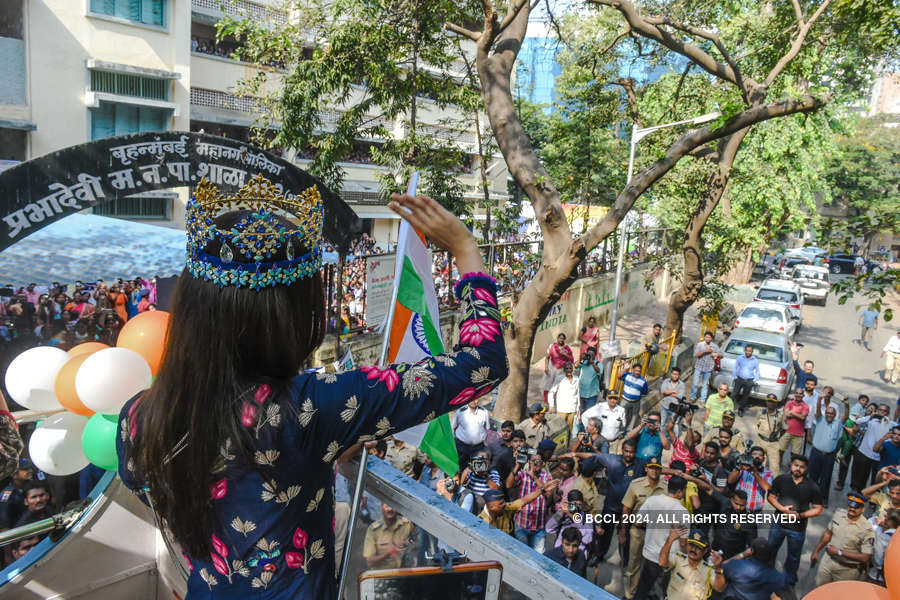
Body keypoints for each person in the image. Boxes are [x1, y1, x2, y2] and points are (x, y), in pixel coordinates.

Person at [115, 188, 508, 599]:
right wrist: (465, 249)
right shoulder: (315, 405)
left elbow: (166, 485)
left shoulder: (139, 416)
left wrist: (301, 462)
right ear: (293, 317)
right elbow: (482, 363)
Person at [767, 454, 823, 585]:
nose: (798, 469)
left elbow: (818, 508)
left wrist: (800, 515)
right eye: (796, 465)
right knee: (770, 551)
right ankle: (767, 575)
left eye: (802, 467)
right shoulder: (781, 480)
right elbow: (771, 496)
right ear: (791, 465)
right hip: (778, 524)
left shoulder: (813, 486)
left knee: (793, 557)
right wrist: (782, 509)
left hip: (797, 529)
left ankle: (789, 581)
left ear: (806, 469)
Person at [633, 474, 689, 600]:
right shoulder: (682, 512)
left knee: (642, 590)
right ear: (680, 492)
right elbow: (683, 543)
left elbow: (637, 522)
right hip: (670, 559)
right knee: (668, 593)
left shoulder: (652, 500)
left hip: (649, 554)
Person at [620, 457, 667, 599]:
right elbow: (626, 509)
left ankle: (649, 591)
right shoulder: (636, 485)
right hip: (637, 531)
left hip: (656, 533)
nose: (654, 471)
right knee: (634, 563)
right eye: (651, 467)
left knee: (652, 564)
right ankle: (631, 593)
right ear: (646, 469)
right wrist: (623, 531)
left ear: (661, 470)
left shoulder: (665, 488)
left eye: (657, 468)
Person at [811, 491, 875, 584]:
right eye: (850, 505)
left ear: (863, 509)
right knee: (819, 589)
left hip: (847, 570)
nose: (852, 508)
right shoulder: (839, 514)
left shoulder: (867, 529)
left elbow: (865, 557)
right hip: (828, 561)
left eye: (856, 506)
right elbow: (828, 534)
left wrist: (839, 552)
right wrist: (816, 551)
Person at [659, 528, 724, 600]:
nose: (693, 549)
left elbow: (719, 588)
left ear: (705, 551)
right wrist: (669, 540)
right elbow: (662, 562)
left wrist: (718, 568)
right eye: (691, 545)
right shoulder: (678, 558)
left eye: (698, 547)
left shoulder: (708, 569)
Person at [510, 452, 555, 553]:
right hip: (522, 523)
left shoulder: (547, 477)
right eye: (533, 461)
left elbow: (548, 495)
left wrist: (534, 477)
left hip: (539, 527)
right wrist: (517, 466)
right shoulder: (523, 474)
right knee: (522, 553)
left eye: (538, 461)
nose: (535, 464)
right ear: (529, 463)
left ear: (542, 463)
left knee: (539, 556)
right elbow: (509, 484)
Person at [719, 538, 790, 600]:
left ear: (752, 552)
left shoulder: (736, 565)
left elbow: (722, 565)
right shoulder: (777, 577)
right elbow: (784, 583)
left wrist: (743, 554)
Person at [478, 483, 558, 536]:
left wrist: (542, 490)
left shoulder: (506, 509)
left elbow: (524, 500)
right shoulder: (482, 522)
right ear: (491, 507)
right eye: (501, 504)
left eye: (504, 502)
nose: (504, 504)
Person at [808, 395, 845, 505]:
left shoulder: (837, 423)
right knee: (812, 476)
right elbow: (818, 409)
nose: (829, 414)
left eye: (831, 413)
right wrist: (819, 399)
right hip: (816, 452)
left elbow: (846, 417)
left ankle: (823, 499)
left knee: (826, 478)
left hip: (829, 455)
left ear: (835, 415)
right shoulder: (820, 420)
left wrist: (847, 406)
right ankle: (810, 496)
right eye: (827, 413)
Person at [851, 404, 896, 491]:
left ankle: (873, 501)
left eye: (885, 411)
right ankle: (858, 496)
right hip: (865, 454)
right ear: (877, 411)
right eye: (880, 410)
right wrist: (871, 416)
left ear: (888, 413)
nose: (882, 412)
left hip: (878, 457)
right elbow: (857, 421)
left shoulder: (891, 425)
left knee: (875, 481)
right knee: (861, 479)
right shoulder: (871, 421)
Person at [363, 503, 416, 569]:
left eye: (392, 506)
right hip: (383, 575)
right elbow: (370, 562)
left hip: (405, 573)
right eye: (387, 506)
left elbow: (417, 547)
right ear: (381, 508)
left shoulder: (407, 525)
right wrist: (389, 553)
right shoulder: (373, 530)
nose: (390, 509)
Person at [545, 489, 593, 555]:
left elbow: (588, 539)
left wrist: (573, 518)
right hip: (560, 553)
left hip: (577, 556)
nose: (577, 507)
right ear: (569, 503)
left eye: (579, 504)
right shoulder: (562, 514)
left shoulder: (588, 517)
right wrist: (562, 512)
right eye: (575, 504)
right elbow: (548, 529)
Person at [730, 447, 773, 513]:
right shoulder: (743, 469)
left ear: (763, 459)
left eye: (760, 455)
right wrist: (739, 467)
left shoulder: (767, 473)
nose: (757, 456)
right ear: (749, 456)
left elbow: (767, 488)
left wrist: (754, 471)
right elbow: (730, 481)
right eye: (754, 454)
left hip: (755, 513)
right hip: (738, 509)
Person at [452, 399, 490, 469]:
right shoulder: (460, 412)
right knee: (460, 467)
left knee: (477, 468)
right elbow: (454, 427)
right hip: (462, 446)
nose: (474, 401)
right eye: (472, 399)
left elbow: (487, 428)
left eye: (476, 399)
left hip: (478, 447)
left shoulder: (484, 412)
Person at [549, 362, 580, 443]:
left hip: (572, 409)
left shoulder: (576, 379)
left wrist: (578, 408)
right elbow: (551, 392)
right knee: (560, 429)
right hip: (562, 409)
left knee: (569, 430)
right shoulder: (559, 379)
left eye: (570, 368)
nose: (569, 370)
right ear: (564, 370)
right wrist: (551, 405)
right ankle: (558, 447)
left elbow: (578, 394)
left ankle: (566, 446)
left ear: (573, 369)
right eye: (567, 369)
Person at [756, 395, 785, 476]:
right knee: (759, 464)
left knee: (774, 467)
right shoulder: (761, 412)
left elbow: (784, 428)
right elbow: (758, 424)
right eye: (769, 401)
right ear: (766, 402)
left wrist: (778, 437)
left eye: (773, 401)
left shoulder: (781, 415)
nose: (770, 403)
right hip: (761, 441)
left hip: (774, 443)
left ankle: (774, 486)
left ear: (776, 403)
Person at [542, 333, 574, 403]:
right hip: (551, 368)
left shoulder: (567, 349)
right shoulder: (552, 346)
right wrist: (546, 367)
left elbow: (571, 360)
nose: (561, 340)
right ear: (557, 338)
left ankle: (556, 400)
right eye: (560, 338)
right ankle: (546, 401)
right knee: (548, 384)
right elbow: (547, 358)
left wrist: (565, 354)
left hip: (561, 370)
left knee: (559, 385)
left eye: (563, 338)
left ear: (564, 339)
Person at [692, 332, 722, 402]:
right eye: (706, 337)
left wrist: (716, 354)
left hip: (708, 368)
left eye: (709, 337)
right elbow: (696, 355)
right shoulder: (700, 345)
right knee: (695, 383)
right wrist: (705, 351)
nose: (707, 338)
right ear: (704, 337)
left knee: (705, 385)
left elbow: (721, 355)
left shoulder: (715, 346)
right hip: (699, 366)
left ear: (711, 338)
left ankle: (702, 400)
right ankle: (693, 397)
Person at [620, 363, 650, 429]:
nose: (637, 372)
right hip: (624, 400)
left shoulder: (643, 381)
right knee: (622, 416)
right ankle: (621, 431)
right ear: (633, 370)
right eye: (636, 370)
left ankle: (629, 433)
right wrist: (625, 369)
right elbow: (618, 376)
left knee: (633, 419)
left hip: (636, 403)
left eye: (639, 371)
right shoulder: (627, 375)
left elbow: (645, 392)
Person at [782, 389, 809, 458]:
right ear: (794, 394)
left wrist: (792, 412)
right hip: (786, 431)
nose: (798, 395)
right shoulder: (789, 403)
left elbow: (802, 417)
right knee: (780, 450)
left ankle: (791, 467)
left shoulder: (805, 406)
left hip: (798, 434)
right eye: (796, 393)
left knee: (795, 455)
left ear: (803, 395)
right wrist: (798, 415)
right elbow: (787, 414)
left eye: (800, 394)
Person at [575, 347, 603, 413]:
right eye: (588, 354)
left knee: (589, 413)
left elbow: (599, 371)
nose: (590, 355)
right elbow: (575, 366)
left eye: (591, 354)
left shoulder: (598, 363)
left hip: (592, 394)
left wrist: (592, 363)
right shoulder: (583, 362)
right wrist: (580, 358)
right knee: (582, 412)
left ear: (595, 355)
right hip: (582, 393)